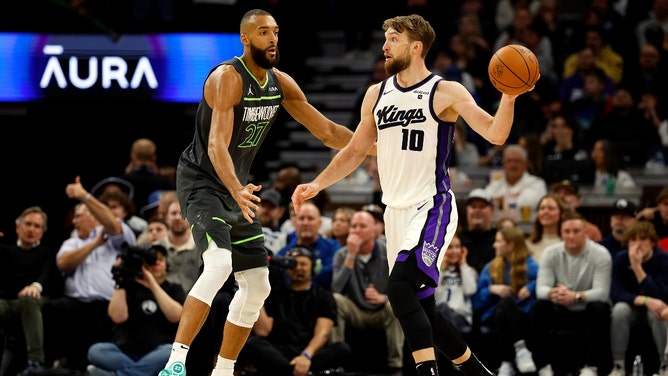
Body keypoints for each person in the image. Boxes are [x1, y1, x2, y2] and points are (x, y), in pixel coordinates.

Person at [292, 13, 532, 376]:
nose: (384, 46)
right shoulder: (376, 94)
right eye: (385, 38)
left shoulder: (446, 91)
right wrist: (318, 184)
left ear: (415, 46)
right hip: (395, 212)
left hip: (431, 204)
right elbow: (356, 150)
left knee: (399, 288)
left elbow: (496, 135)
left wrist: (509, 97)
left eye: (393, 39)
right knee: (425, 312)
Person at [160, 9, 362, 376]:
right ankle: (176, 361)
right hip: (203, 182)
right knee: (219, 262)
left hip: (238, 188)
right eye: (264, 32)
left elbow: (330, 133)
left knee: (258, 284)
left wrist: (377, 147)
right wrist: (236, 188)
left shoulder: (280, 83)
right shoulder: (227, 78)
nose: (273, 39)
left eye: (276, 32)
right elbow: (216, 146)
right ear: (245, 38)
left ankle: (223, 369)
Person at [43, 176, 137, 372]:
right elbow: (63, 263)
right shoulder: (72, 242)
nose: (75, 221)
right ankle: (57, 363)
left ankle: (97, 368)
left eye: (80, 216)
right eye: (75, 217)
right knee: (53, 308)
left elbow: (113, 226)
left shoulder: (115, 235)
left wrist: (84, 196)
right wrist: (93, 245)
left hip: (106, 304)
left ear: (94, 217)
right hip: (75, 305)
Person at [236, 246, 351, 376]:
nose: (298, 268)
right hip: (280, 351)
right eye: (294, 264)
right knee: (253, 344)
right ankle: (298, 372)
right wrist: (254, 290)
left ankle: (288, 371)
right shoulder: (276, 293)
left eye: (303, 264)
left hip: (310, 352)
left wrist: (306, 356)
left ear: (313, 268)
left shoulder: (324, 296)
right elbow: (263, 330)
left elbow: (322, 333)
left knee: (342, 348)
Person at [529, 212, 612, 376]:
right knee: (538, 306)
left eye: (576, 231)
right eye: (567, 231)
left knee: (600, 308)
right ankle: (543, 366)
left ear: (585, 232)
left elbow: (602, 292)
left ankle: (591, 366)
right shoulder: (550, 253)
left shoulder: (601, 254)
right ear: (561, 233)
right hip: (561, 308)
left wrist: (574, 296)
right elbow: (541, 290)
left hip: (587, 310)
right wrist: (555, 292)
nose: (571, 236)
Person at [86, 244, 186, 376]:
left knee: (170, 352)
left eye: (160, 260)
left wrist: (152, 284)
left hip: (157, 352)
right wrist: (120, 280)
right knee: (96, 351)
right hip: (124, 351)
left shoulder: (174, 288)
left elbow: (176, 316)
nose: (156, 263)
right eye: (151, 261)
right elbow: (117, 317)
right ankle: (139, 372)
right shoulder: (127, 287)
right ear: (143, 265)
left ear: (166, 265)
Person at [329, 210, 403, 374]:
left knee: (394, 306)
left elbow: (402, 287)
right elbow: (336, 288)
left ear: (374, 231)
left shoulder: (389, 253)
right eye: (354, 226)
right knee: (335, 300)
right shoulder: (341, 254)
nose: (356, 230)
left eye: (362, 226)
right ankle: (336, 361)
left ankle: (396, 365)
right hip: (355, 310)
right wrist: (351, 256)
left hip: (381, 310)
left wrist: (384, 297)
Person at [0, 206, 61, 375]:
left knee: (29, 298)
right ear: (17, 227)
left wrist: (35, 286)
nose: (31, 230)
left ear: (43, 231)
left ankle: (35, 361)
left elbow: (47, 275)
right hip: (6, 302)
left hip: (33, 301)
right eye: (28, 224)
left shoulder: (49, 253)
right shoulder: (5, 250)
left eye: (37, 226)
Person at [472, 227, 539, 376]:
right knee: (506, 302)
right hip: (492, 315)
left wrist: (531, 287)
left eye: (498, 241)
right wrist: (491, 289)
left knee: (504, 312)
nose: (494, 245)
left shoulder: (531, 266)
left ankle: (506, 363)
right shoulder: (491, 267)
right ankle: (520, 349)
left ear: (511, 245)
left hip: (521, 315)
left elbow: (544, 282)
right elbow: (476, 302)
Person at [608, 221, 668, 376]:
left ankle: (665, 364)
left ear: (653, 242)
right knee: (619, 310)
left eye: (643, 239)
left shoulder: (663, 259)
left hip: (656, 311)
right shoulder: (621, 258)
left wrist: (638, 269)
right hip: (632, 309)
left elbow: (662, 294)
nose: (637, 244)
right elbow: (616, 293)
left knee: (660, 311)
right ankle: (619, 365)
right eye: (633, 240)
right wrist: (645, 300)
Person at [276, 201, 341, 289]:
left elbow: (333, 276)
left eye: (310, 218)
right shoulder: (284, 252)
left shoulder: (333, 247)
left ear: (319, 223)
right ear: (295, 223)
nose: (305, 223)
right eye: (301, 218)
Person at [484, 145, 548, 224]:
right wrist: (514, 197)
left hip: (527, 229)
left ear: (526, 164)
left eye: (517, 161)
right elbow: (485, 202)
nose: (512, 165)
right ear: (504, 164)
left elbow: (528, 204)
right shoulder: (496, 182)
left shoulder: (537, 183)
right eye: (509, 161)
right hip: (497, 228)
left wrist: (499, 201)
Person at [435, 233, 477, 337]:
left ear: (462, 250)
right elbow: (434, 295)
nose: (454, 251)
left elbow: (470, 290)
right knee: (443, 308)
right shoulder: (435, 273)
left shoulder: (468, 271)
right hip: (440, 314)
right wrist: (442, 270)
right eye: (450, 247)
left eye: (457, 247)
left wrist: (463, 264)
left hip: (460, 317)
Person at [119, 138, 175, 214]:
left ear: (132, 157)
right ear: (154, 158)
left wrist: (126, 175)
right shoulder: (165, 183)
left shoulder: (122, 182)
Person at [459, 188, 497, 275]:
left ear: (491, 210)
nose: (477, 210)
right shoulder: (458, 241)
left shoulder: (499, 239)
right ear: (466, 210)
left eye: (482, 207)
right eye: (473, 207)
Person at [257, 188, 288, 255]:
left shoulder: (285, 237)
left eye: (271, 207)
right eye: (263, 205)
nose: (266, 210)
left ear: (281, 212)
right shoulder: (246, 229)